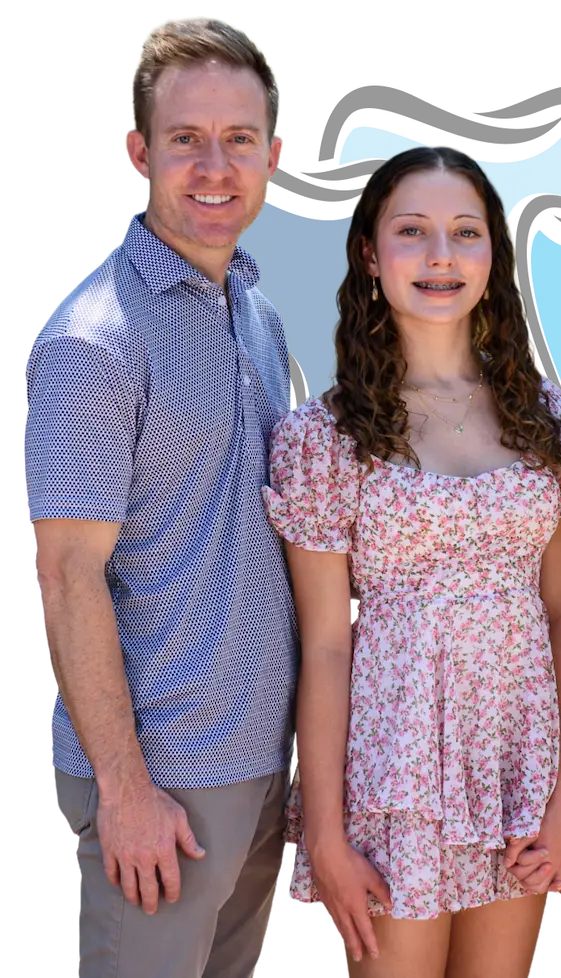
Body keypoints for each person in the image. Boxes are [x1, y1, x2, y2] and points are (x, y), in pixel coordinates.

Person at [261, 144, 561, 978]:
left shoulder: (544, 416)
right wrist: (328, 836)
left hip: (517, 767)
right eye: (413, 232)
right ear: (371, 254)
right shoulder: (324, 437)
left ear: (494, 256)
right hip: (394, 777)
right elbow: (328, 646)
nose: (441, 256)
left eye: (465, 233)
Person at [25, 16, 295, 978]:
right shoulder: (93, 341)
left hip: (262, 766)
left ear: (274, 155)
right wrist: (125, 788)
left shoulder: (256, 313)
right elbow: (65, 574)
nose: (213, 165)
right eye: (185, 139)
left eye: (238, 139)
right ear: (138, 152)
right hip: (165, 786)